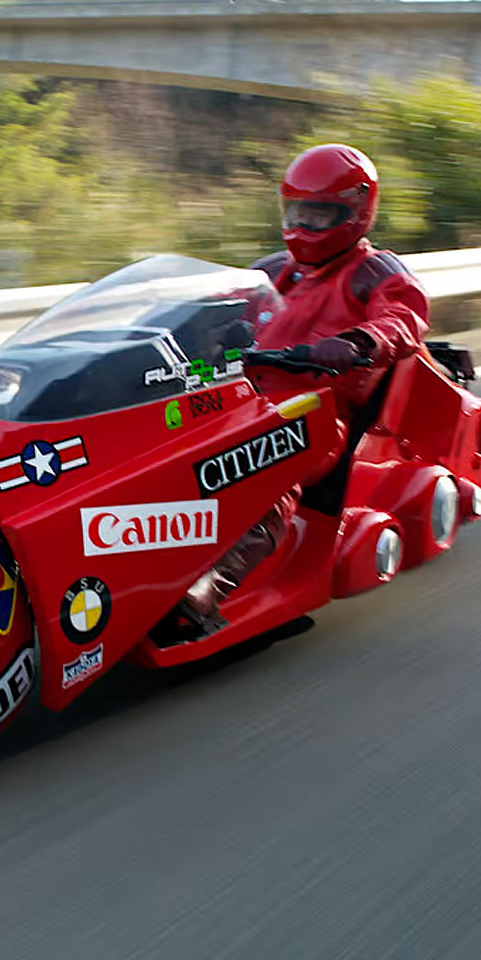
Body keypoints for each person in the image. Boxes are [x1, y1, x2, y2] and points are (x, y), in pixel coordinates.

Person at [172, 143, 431, 635]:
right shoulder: (271, 270)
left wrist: (360, 339)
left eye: (320, 214)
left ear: (356, 211)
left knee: (268, 461)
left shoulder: (376, 271)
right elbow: (220, 312)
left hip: (316, 411)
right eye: (299, 212)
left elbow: (405, 317)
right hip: (240, 396)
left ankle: (210, 586)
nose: (306, 226)